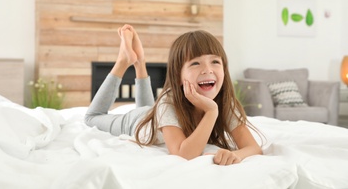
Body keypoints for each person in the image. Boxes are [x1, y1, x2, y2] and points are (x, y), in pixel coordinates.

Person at [85, 24, 262, 165]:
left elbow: (253, 148)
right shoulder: (168, 102)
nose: (207, 69)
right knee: (92, 117)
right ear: (178, 77)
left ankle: (140, 63)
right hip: (138, 121)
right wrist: (211, 112)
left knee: (149, 108)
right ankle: (123, 61)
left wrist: (236, 155)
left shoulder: (224, 102)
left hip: (152, 115)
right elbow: (183, 154)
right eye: (195, 64)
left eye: (215, 61)